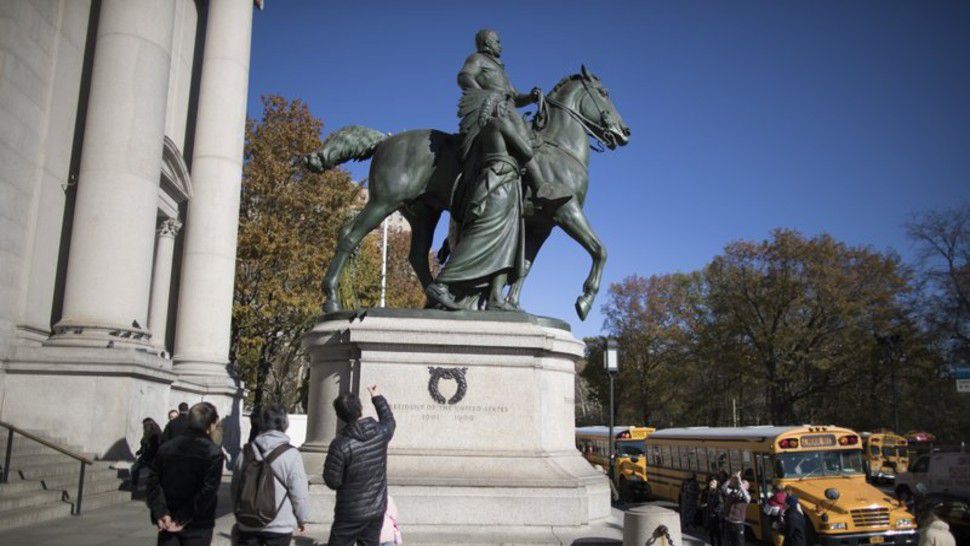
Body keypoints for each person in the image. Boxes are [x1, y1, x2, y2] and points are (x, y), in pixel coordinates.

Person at [425, 91, 538, 311]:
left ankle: (495, 296)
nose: (511, 112)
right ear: (499, 109)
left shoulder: (485, 131)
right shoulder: (500, 124)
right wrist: (524, 131)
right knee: (483, 235)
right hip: (499, 184)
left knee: (507, 241)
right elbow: (526, 151)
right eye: (508, 108)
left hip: (502, 182)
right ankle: (442, 283)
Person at [453, 28, 569, 214]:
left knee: (529, 133)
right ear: (487, 43)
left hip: (507, 109)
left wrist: (530, 97)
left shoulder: (500, 69)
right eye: (497, 41)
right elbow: (464, 77)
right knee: (519, 132)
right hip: (494, 110)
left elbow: (514, 97)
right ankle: (540, 186)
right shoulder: (477, 59)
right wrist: (486, 96)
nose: (501, 45)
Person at [324, 385, 396, 546]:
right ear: (360, 408)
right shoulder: (379, 433)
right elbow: (389, 421)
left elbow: (332, 481)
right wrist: (377, 396)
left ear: (339, 415)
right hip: (375, 508)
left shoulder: (340, 444)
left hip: (350, 510)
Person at [231, 404, 311, 546]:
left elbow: (235, 487)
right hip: (280, 523)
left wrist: (237, 512)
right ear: (284, 424)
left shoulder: (245, 452)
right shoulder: (291, 454)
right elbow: (299, 491)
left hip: (248, 521)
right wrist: (302, 518)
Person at [146, 402, 224, 546]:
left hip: (168, 520)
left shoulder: (166, 448)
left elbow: (153, 482)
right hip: (197, 524)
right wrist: (182, 518)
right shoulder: (214, 453)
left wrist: (161, 512)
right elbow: (208, 491)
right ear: (211, 425)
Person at [131, 418, 162, 493]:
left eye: (144, 425)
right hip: (145, 456)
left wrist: (146, 456)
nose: (143, 427)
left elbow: (154, 448)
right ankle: (134, 486)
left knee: (152, 474)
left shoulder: (155, 434)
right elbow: (144, 445)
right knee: (134, 469)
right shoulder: (147, 433)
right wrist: (139, 451)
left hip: (152, 458)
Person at [721, 472, 751, 546]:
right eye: (741, 482)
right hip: (729, 521)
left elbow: (745, 494)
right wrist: (732, 478)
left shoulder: (747, 496)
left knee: (739, 543)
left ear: (747, 487)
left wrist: (740, 481)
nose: (741, 484)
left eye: (744, 483)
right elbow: (723, 488)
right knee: (727, 543)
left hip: (738, 524)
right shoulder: (733, 492)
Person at [699, 477, 723, 546]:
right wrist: (706, 505)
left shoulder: (718, 493)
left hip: (716, 516)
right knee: (711, 533)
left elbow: (720, 504)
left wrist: (714, 512)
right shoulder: (708, 492)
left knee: (717, 534)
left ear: (717, 485)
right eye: (711, 482)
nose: (712, 483)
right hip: (709, 515)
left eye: (714, 482)